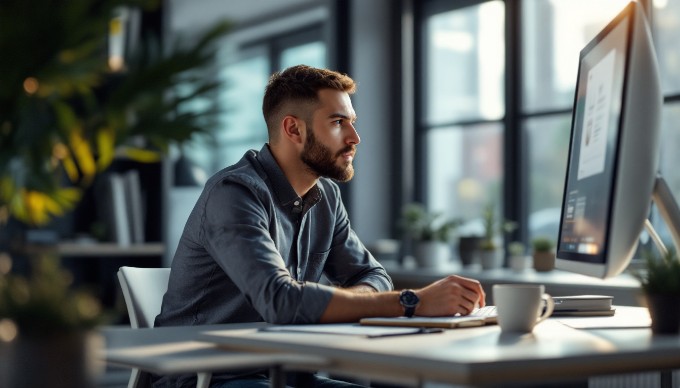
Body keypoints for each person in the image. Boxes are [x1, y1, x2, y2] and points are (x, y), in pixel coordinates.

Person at [153, 64, 486, 387]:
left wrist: (338, 301)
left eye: (352, 122)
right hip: (207, 375)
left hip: (286, 372)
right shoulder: (235, 193)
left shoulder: (325, 196)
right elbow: (281, 302)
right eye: (339, 122)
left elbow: (374, 277)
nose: (355, 137)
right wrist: (412, 302)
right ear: (294, 129)